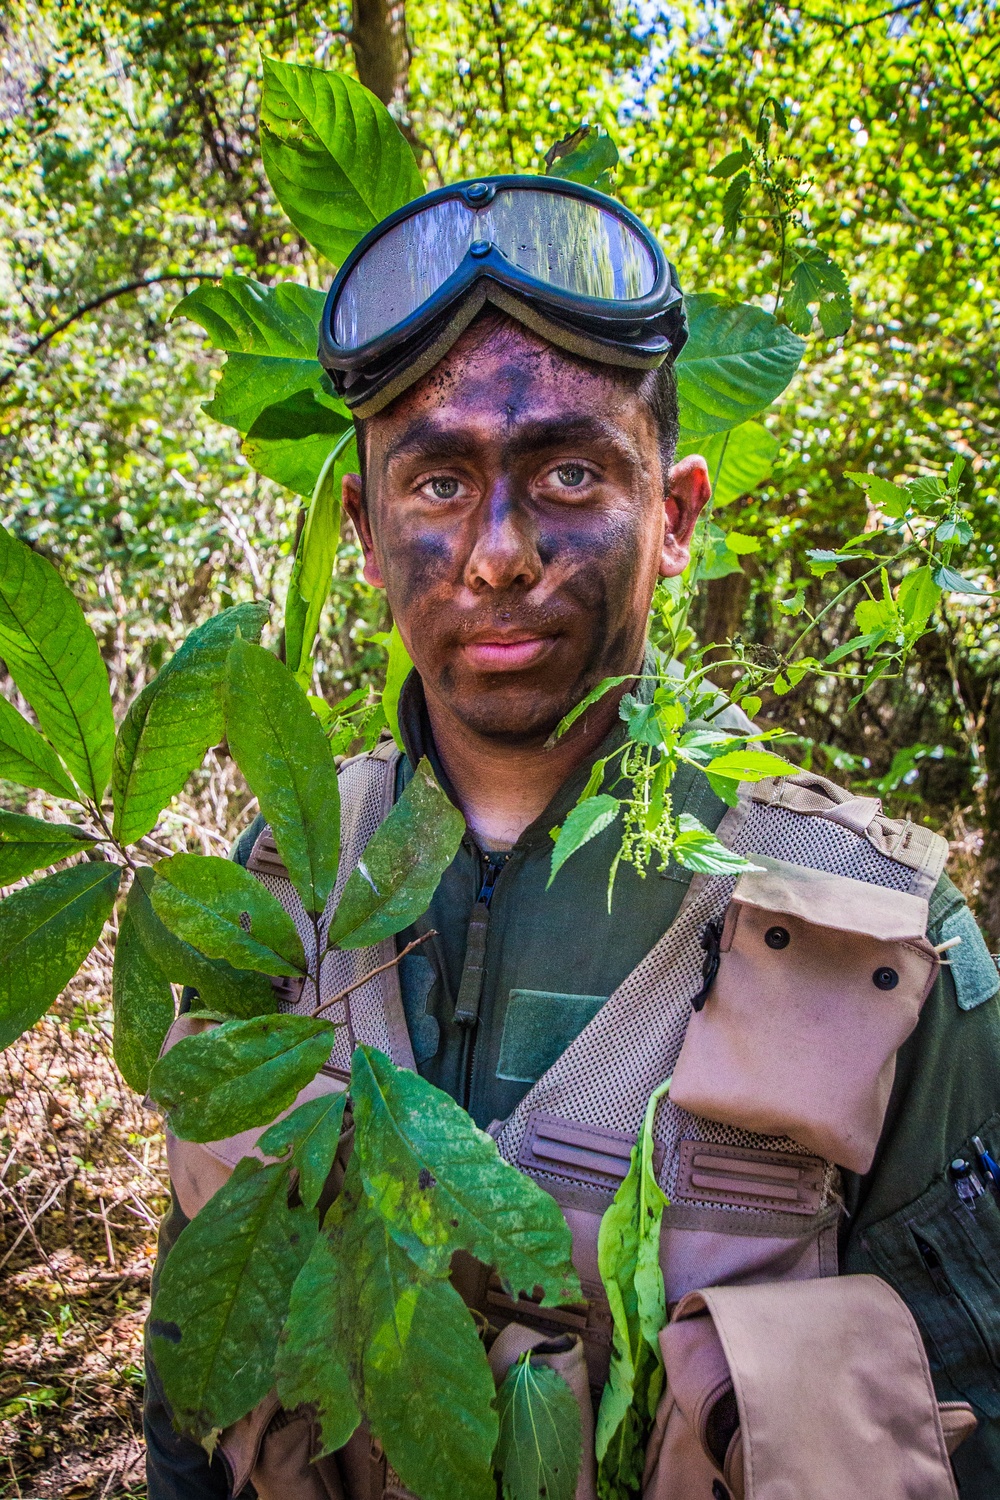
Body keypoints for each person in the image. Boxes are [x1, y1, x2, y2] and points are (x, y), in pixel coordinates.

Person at [145, 176, 1000, 1499]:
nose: (498, 555)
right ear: (366, 535)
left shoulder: (878, 938)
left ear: (677, 517)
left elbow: (969, 1415)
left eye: (568, 471)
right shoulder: (276, 885)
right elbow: (197, 1358)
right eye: (437, 480)